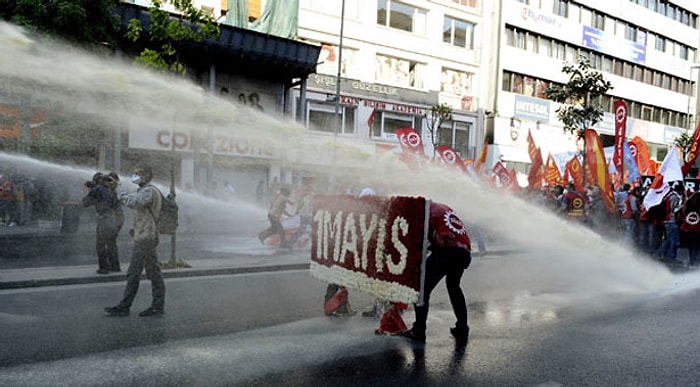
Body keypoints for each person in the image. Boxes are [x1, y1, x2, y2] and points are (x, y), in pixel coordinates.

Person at [399, 201, 472, 344]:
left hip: (447, 251)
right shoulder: (444, 208)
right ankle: (462, 328)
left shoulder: (423, 212)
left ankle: (419, 331)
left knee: (421, 289)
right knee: (454, 286)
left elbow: (420, 239)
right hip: (463, 252)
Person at [105, 165, 165, 317]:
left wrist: (118, 188)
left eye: (136, 174)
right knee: (146, 273)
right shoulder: (144, 190)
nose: (133, 176)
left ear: (145, 176)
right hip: (144, 236)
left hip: (146, 238)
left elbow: (133, 202)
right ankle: (149, 305)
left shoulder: (149, 191)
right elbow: (142, 213)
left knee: (142, 273)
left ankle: (137, 306)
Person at [82, 173, 119, 274]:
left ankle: (103, 267)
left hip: (103, 219)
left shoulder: (97, 189)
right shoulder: (109, 190)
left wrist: (89, 191)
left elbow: (85, 203)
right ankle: (115, 266)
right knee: (111, 244)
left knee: (100, 244)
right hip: (112, 219)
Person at [655, 182, 684, 262]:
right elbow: (673, 210)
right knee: (674, 240)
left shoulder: (669, 196)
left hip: (668, 220)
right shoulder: (674, 197)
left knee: (668, 239)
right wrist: (681, 206)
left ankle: (660, 254)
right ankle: (671, 257)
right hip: (671, 220)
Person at [286, 176, 314, 250]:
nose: (311, 184)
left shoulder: (308, 191)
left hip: (308, 214)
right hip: (306, 215)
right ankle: (290, 243)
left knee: (303, 230)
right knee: (304, 230)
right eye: (310, 182)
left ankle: (290, 243)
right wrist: (297, 210)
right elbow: (301, 202)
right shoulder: (305, 191)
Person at [680, 191, 700, 268]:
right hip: (698, 230)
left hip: (688, 230)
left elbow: (682, 214)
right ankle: (697, 262)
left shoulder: (688, 206)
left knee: (691, 247)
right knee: (697, 246)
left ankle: (692, 261)